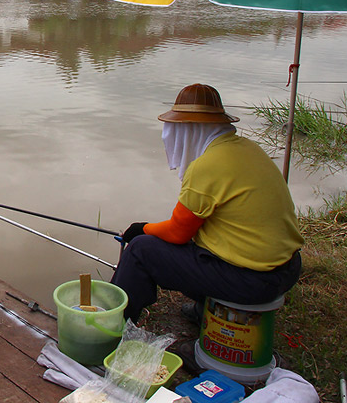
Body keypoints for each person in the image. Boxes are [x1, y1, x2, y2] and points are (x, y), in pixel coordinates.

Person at [110, 84, 303, 323]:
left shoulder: (208, 165)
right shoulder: (248, 148)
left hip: (254, 281)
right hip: (288, 268)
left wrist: (142, 229)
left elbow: (177, 232)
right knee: (201, 239)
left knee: (141, 250)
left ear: (191, 128)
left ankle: (112, 326)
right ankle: (206, 311)